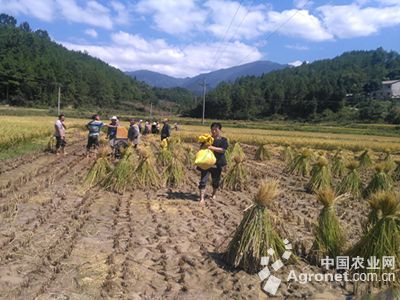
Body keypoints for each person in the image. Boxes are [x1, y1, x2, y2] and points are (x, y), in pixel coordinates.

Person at [198, 122, 228, 205]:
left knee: (216, 181)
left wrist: (211, 147)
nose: (214, 131)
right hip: (206, 164)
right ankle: (202, 198)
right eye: (212, 129)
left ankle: (213, 194)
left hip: (217, 163)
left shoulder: (223, 140)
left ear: (220, 130)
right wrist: (205, 144)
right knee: (203, 180)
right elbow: (201, 148)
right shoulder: (207, 139)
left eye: (216, 129)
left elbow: (223, 150)